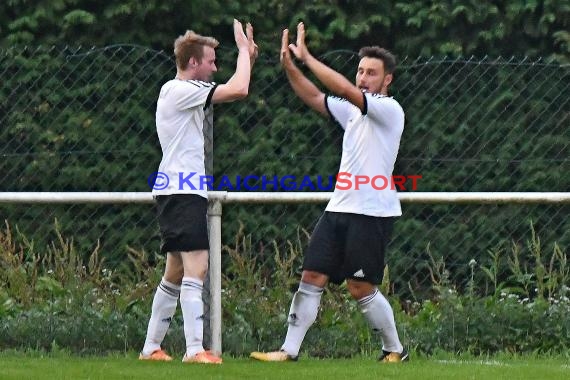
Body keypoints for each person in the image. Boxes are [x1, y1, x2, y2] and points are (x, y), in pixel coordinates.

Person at [250, 22, 408, 363]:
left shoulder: (389, 110)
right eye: (361, 71)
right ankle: (288, 351)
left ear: (387, 80)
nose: (363, 77)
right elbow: (313, 96)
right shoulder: (352, 111)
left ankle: (394, 351)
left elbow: (348, 92)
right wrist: (291, 68)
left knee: (360, 287)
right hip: (339, 207)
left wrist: (308, 57)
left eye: (372, 73)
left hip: (371, 211)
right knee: (312, 276)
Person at [139, 19, 258, 364]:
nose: (214, 67)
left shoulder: (177, 90)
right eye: (210, 61)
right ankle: (194, 350)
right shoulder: (180, 90)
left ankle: (151, 347)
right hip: (181, 190)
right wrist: (243, 54)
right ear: (193, 62)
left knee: (176, 270)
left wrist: (246, 57)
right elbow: (239, 89)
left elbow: (236, 83)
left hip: (179, 188)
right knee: (198, 266)